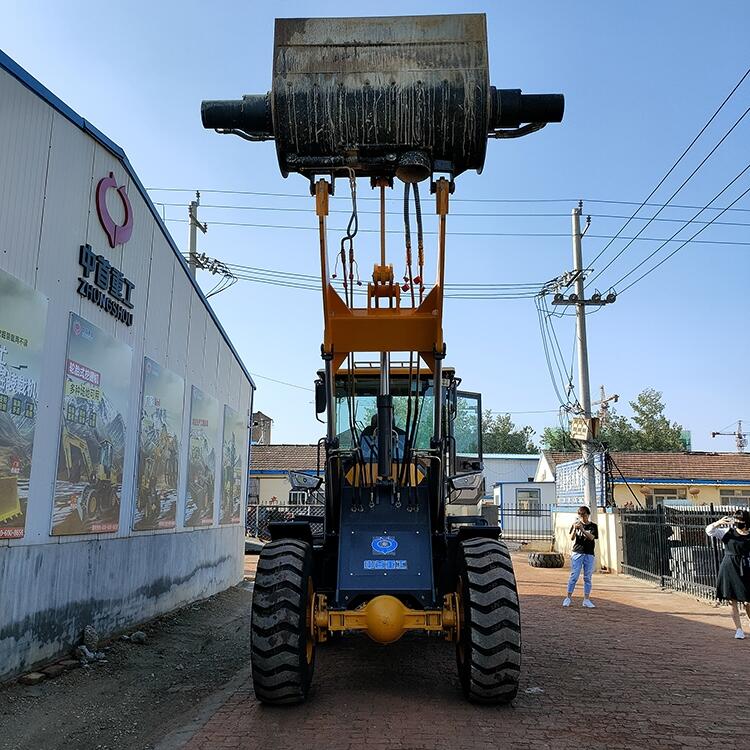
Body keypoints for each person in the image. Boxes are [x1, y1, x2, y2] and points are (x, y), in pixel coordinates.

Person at [705, 509, 750, 639]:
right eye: (736, 520)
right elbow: (709, 531)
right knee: (733, 600)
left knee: (747, 602)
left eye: (741, 520)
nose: (738, 523)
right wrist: (719, 522)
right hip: (729, 567)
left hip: (746, 567)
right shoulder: (727, 533)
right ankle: (739, 630)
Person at [563, 505, 599, 608]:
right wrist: (575, 529)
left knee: (587, 577)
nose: (582, 516)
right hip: (578, 552)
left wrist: (583, 530)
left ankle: (586, 599)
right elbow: (571, 538)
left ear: (587, 514)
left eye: (583, 514)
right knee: (574, 576)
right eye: (580, 514)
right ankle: (568, 597)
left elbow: (592, 537)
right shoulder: (576, 524)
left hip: (589, 553)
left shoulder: (593, 526)